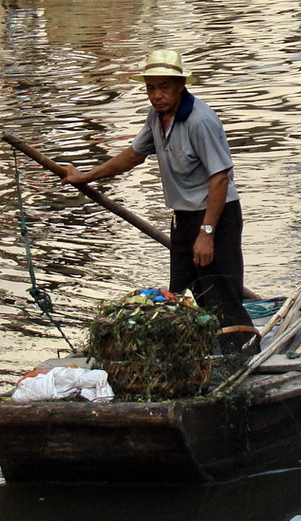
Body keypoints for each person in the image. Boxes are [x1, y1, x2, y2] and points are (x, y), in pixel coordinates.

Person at [61, 49, 258, 353]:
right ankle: (197, 355)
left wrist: (206, 234)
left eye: (164, 87)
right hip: (183, 218)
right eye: (151, 88)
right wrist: (85, 177)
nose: (157, 95)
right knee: (180, 294)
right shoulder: (156, 117)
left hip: (216, 218)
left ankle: (240, 357)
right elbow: (133, 155)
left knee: (222, 295)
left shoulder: (199, 121)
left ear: (180, 86)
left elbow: (220, 178)